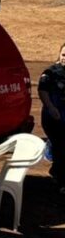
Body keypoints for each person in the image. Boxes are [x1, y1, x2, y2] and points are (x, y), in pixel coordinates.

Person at [38, 42, 65, 193]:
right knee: (61, 146)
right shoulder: (51, 72)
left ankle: (56, 172)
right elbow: (42, 90)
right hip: (53, 116)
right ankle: (61, 181)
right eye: (63, 55)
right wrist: (50, 107)